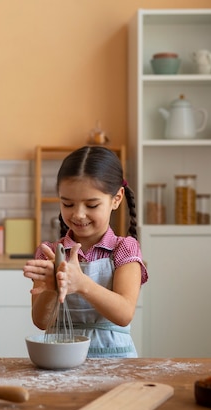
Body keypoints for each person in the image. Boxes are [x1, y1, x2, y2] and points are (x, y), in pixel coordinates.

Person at [22, 146, 147, 358]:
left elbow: (124, 314)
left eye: (91, 205)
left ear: (116, 199)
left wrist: (82, 284)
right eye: (67, 203)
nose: (78, 214)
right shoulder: (50, 253)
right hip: (60, 361)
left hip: (115, 363)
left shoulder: (124, 249)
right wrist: (52, 289)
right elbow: (41, 322)